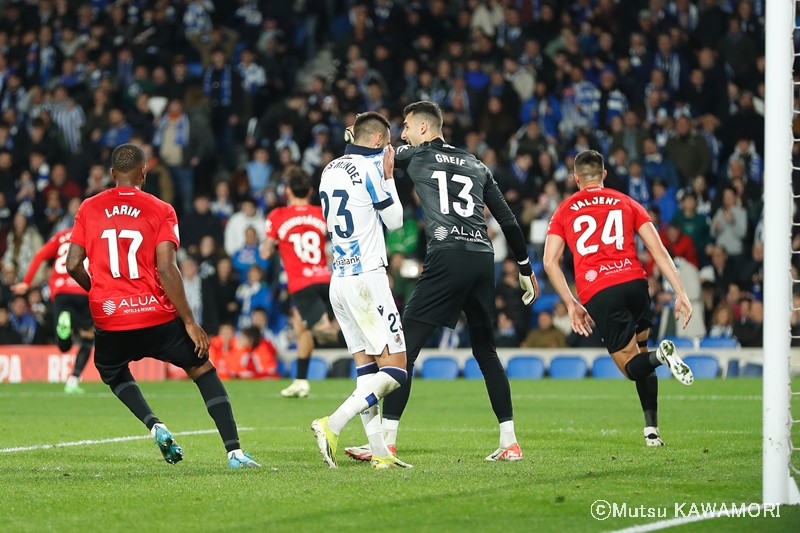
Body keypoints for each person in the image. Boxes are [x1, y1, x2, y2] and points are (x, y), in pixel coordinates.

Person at [348, 101, 540, 464]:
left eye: (405, 126)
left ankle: (385, 443)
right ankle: (510, 441)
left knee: (403, 352)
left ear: (423, 129)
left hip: (447, 254)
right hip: (483, 258)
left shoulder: (417, 156)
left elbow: (374, 152)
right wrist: (526, 267)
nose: (401, 133)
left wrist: (352, 142)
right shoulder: (477, 163)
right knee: (486, 352)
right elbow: (510, 221)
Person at [65, 144, 259, 468]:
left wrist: (100, 291)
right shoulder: (161, 208)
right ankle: (234, 452)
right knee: (202, 368)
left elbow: (72, 264)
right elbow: (167, 268)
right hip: (154, 314)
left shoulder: (89, 207)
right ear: (144, 172)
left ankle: (155, 424)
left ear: (112, 174)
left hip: (111, 317)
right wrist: (189, 322)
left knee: (111, 370)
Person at [543, 150, 694, 447]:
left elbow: (550, 261)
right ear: (604, 175)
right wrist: (681, 292)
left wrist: (572, 303)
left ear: (576, 179)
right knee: (642, 351)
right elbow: (659, 250)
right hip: (635, 283)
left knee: (630, 365)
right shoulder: (627, 202)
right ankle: (652, 430)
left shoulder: (564, 210)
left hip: (600, 289)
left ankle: (663, 357)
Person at [311, 111, 411, 470]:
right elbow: (396, 221)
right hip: (367, 280)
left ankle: (380, 453)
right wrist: (389, 177)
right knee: (397, 370)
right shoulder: (372, 170)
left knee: (368, 373)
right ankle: (333, 423)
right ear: (379, 142)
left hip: (338, 279)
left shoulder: (330, 169)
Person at [261, 167, 337, 398]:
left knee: (325, 333)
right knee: (300, 326)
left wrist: (272, 245)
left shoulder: (278, 215)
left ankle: (365, 349)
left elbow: (265, 253)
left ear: (287, 191)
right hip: (326, 277)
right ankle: (301, 381)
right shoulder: (321, 212)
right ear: (311, 191)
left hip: (302, 284)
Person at [12, 228, 94, 394]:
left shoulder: (61, 236)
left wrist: (27, 282)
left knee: (64, 346)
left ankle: (65, 330)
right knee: (88, 337)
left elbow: (40, 255)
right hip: (83, 289)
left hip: (61, 290)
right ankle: (73, 379)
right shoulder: (94, 234)